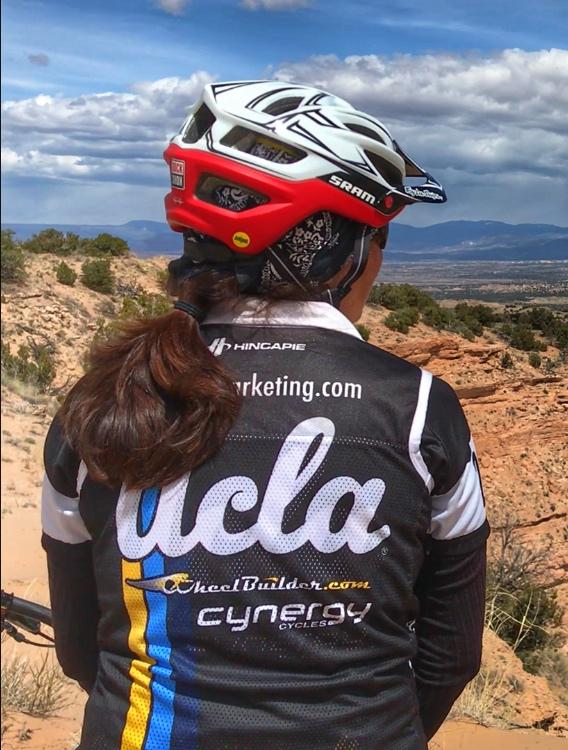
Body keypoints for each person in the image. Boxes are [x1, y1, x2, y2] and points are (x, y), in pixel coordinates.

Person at [40, 81, 488, 749]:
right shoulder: (417, 407)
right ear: (339, 246)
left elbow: (81, 647)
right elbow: (450, 655)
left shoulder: (99, 400)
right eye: (379, 237)